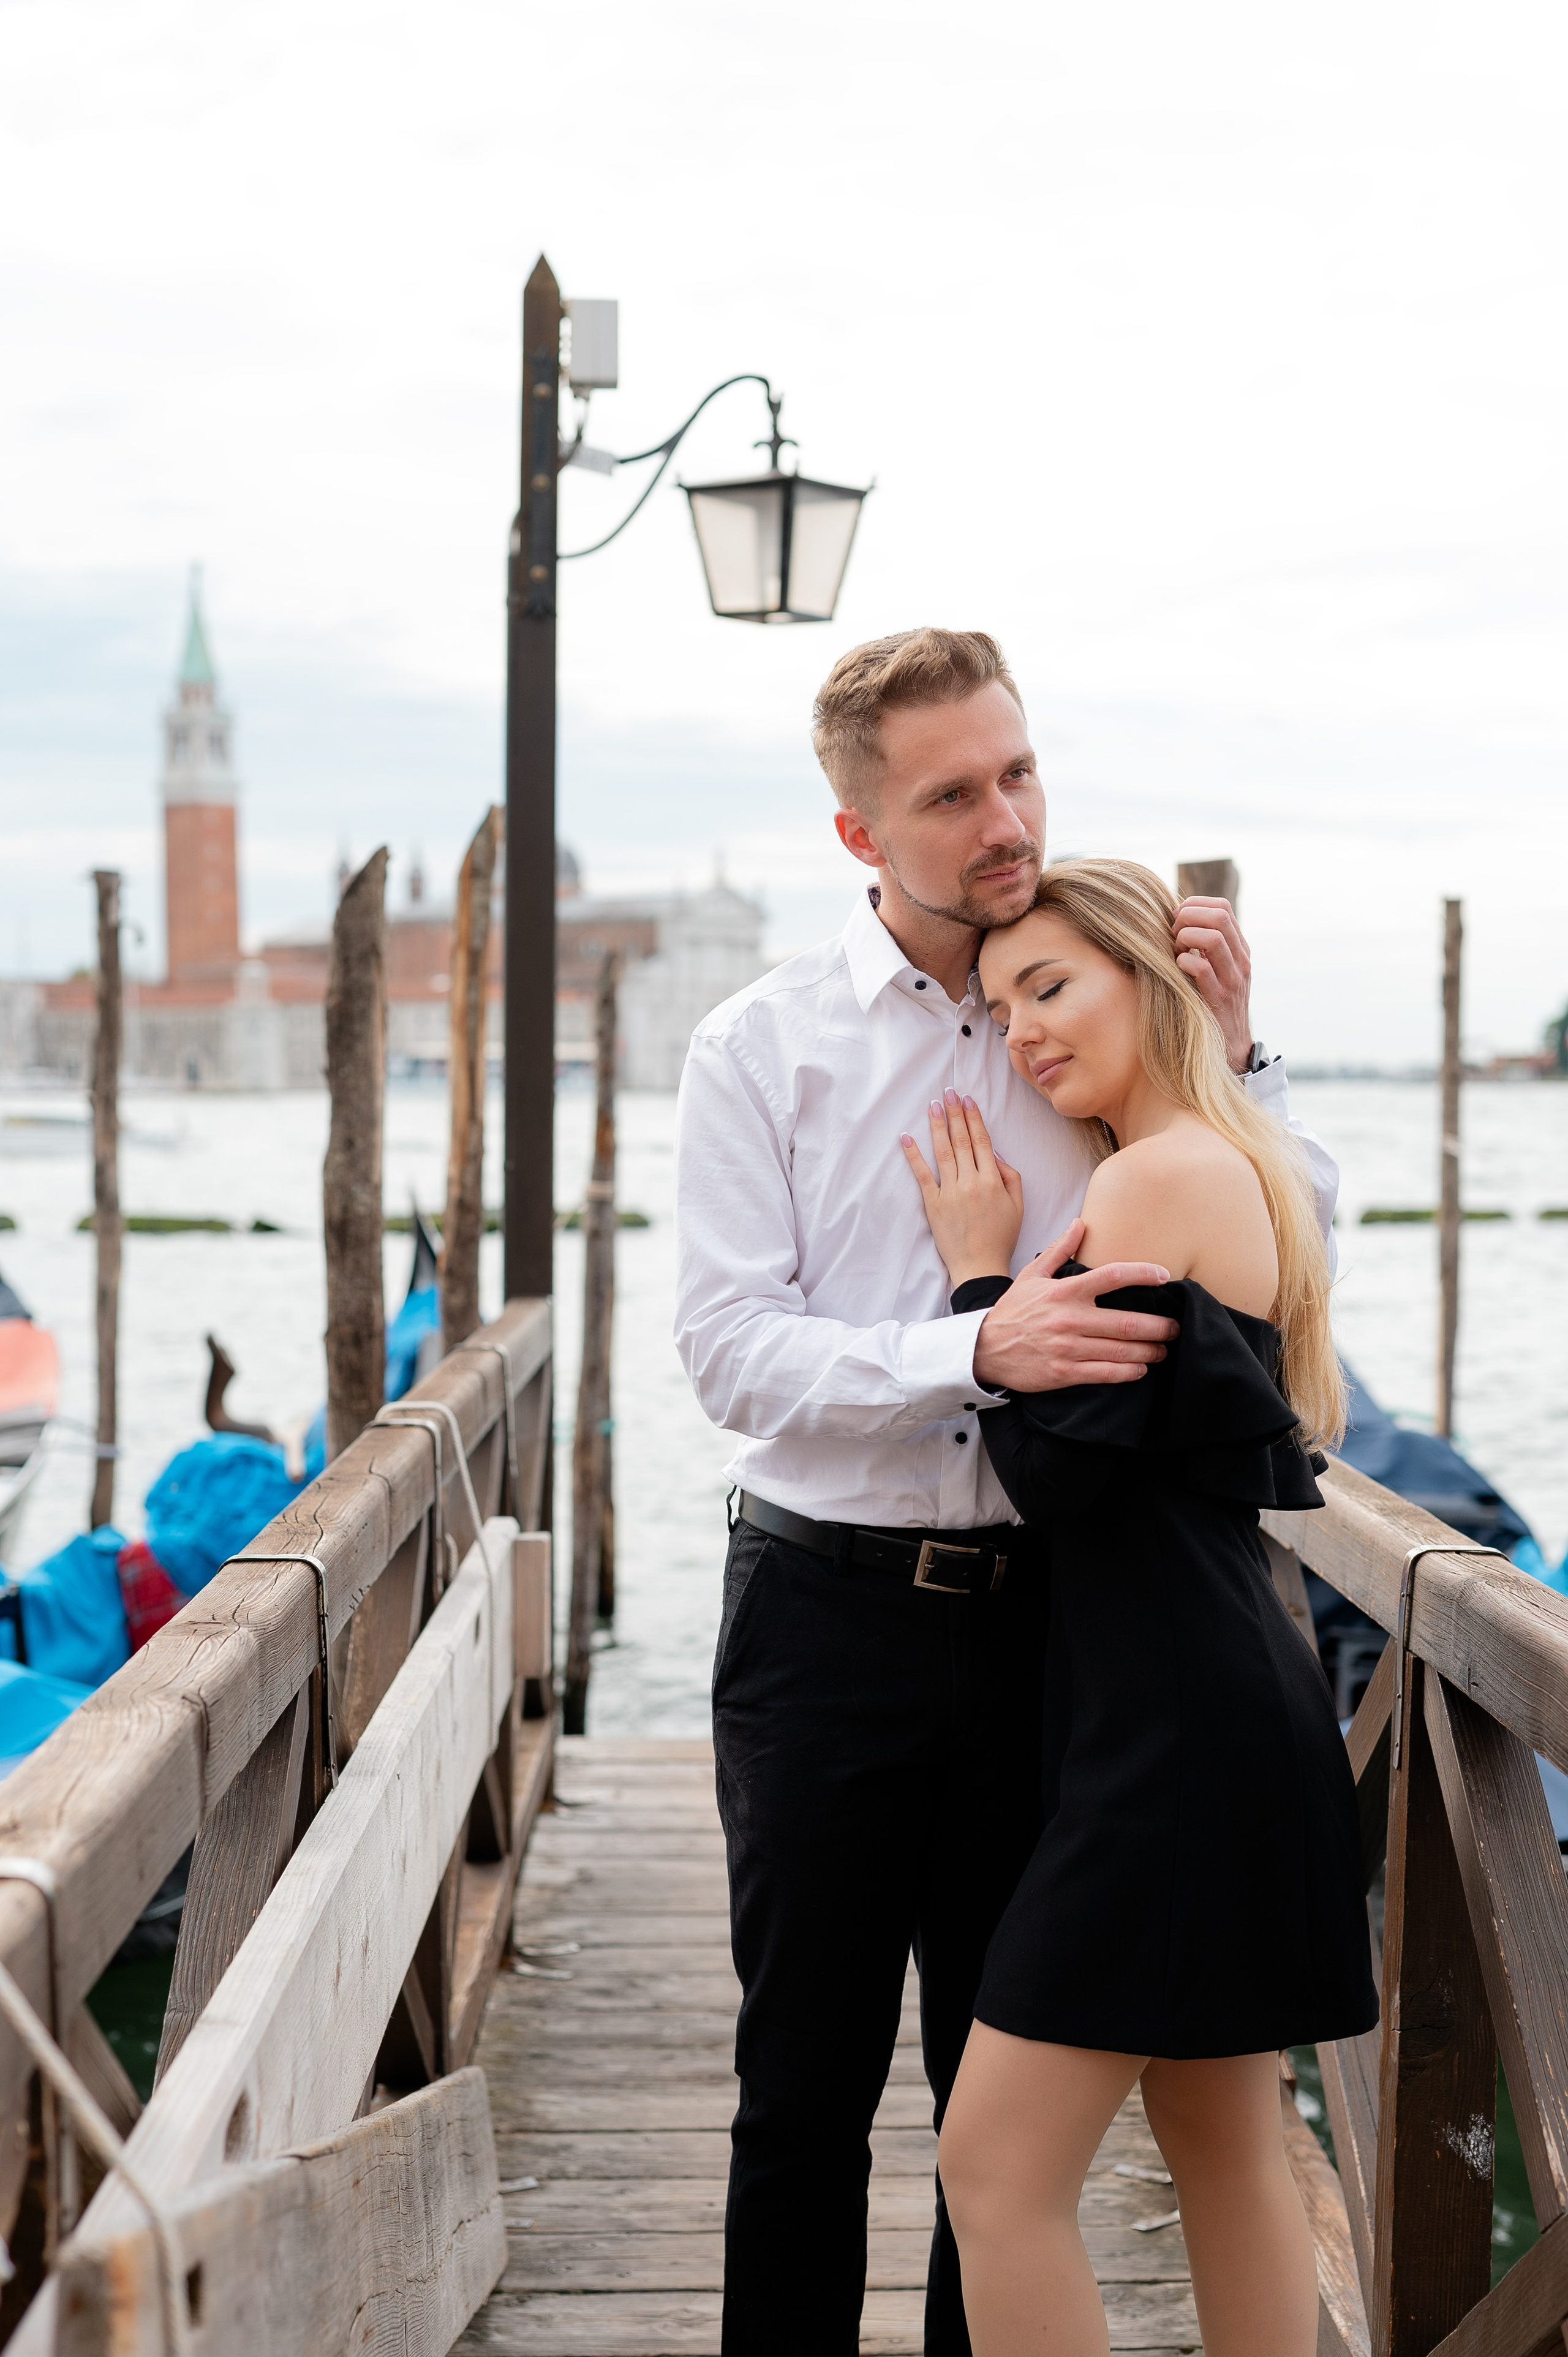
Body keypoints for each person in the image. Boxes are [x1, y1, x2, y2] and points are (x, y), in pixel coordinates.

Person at [673, 628, 1340, 2357]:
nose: (1005, 819)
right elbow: (732, 1352)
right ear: (860, 834)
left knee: (1002, 2095)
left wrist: (1243, 1054)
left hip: (1063, 1645)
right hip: (828, 1619)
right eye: (954, 794)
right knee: (802, 2096)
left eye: (1019, 771)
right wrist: (972, 1346)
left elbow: (1278, 1259)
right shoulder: (764, 1046)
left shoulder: (1099, 1013)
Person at [901, 858, 1378, 2357]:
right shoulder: (1213, 1156)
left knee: (990, 2167)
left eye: (1051, 985)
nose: (1022, 1032)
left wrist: (981, 1280)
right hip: (1216, 1689)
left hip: (1171, 1728)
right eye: (997, 1007)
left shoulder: (1153, 1176)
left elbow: (1062, 1471)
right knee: (1220, 2134)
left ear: (1149, 976)